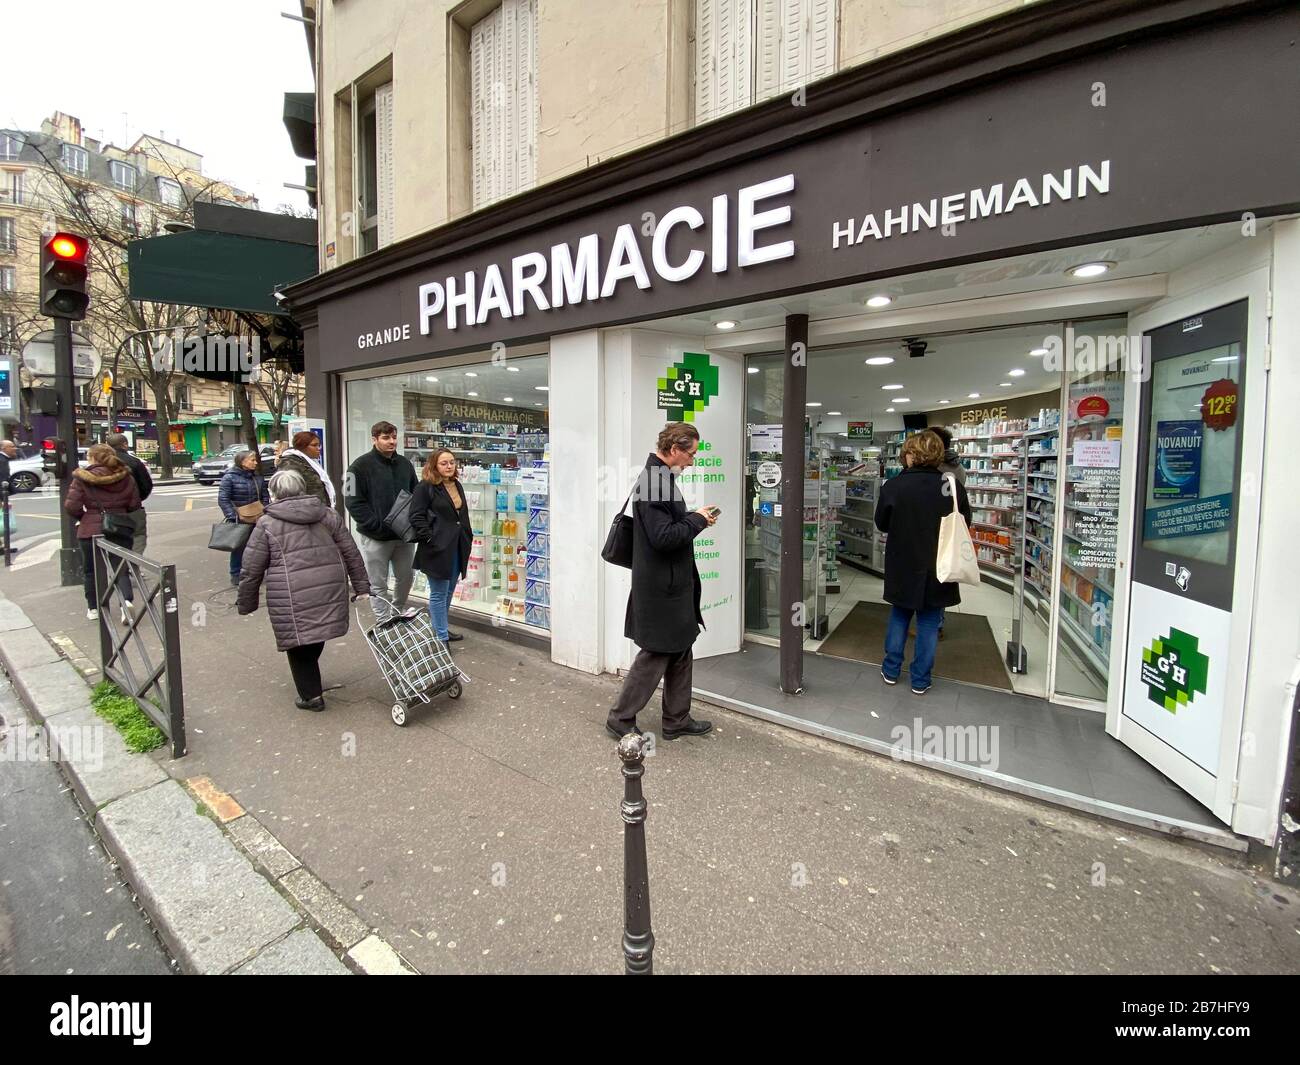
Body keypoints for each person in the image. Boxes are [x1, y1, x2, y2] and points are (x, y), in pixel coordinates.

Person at [606, 422, 719, 741]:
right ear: (674, 450)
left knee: (681, 648)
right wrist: (697, 520)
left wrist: (694, 518)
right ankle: (621, 717)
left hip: (670, 584)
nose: (693, 461)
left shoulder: (660, 478)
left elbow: (667, 528)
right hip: (661, 588)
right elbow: (663, 537)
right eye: (691, 454)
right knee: (656, 652)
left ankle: (676, 719)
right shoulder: (655, 482)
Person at [237, 469, 371, 711]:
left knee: (298, 641)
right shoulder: (327, 514)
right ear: (302, 488)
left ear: (275, 493)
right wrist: (361, 585)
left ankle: (311, 696)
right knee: (314, 633)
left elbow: (251, 567)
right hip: (328, 585)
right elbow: (350, 551)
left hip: (291, 591)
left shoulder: (267, 523)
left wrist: (247, 602)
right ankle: (311, 681)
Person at [873, 429, 972, 695]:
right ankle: (920, 679)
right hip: (940, 564)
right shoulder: (950, 485)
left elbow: (882, 523)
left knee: (899, 616)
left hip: (903, 562)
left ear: (910, 455)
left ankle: (891, 670)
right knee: (929, 622)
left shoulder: (894, 486)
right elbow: (965, 522)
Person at [345, 420, 417, 620]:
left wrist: (413, 523)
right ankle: (383, 619)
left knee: (406, 577)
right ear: (374, 439)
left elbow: (415, 493)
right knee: (378, 582)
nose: (391, 441)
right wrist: (374, 525)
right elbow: (351, 501)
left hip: (403, 535)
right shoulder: (358, 466)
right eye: (386, 438)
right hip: (375, 537)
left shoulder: (405, 464)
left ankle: (398, 609)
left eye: (394, 437)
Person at [64, 443, 141, 621]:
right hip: (119, 526)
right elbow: (134, 503)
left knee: (91, 570)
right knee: (120, 567)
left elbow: (71, 505)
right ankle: (126, 603)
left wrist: (84, 516)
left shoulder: (82, 477)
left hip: (90, 528)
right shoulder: (125, 476)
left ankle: (94, 608)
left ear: (92, 458)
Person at [409, 448, 473, 644]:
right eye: (444, 463)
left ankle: (440, 628)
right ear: (434, 465)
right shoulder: (426, 487)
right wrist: (430, 539)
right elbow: (416, 515)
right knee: (438, 593)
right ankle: (441, 638)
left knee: (449, 590)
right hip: (436, 548)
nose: (449, 466)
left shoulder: (456, 484)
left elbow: (460, 515)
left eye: (452, 462)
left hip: (456, 546)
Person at [218, 449, 271, 586]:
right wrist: (233, 516)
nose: (255, 462)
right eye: (252, 460)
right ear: (242, 462)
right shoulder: (229, 477)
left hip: (258, 517)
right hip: (239, 518)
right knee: (239, 547)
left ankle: (257, 573)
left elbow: (265, 496)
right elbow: (223, 499)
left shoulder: (257, 477)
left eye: (255, 460)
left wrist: (263, 511)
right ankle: (236, 574)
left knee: (259, 547)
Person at [105, 433, 153, 554]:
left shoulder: (102, 463)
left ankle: (116, 569)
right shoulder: (134, 462)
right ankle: (133, 567)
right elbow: (146, 485)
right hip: (133, 508)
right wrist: (137, 499)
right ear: (125, 445)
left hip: (108, 510)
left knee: (111, 539)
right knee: (138, 536)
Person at [278, 431, 332, 506]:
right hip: (305, 512)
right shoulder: (290, 464)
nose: (318, 448)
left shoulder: (312, 463)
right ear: (302, 447)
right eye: (314, 445)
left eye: (319, 445)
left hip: (318, 510)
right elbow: (290, 495)